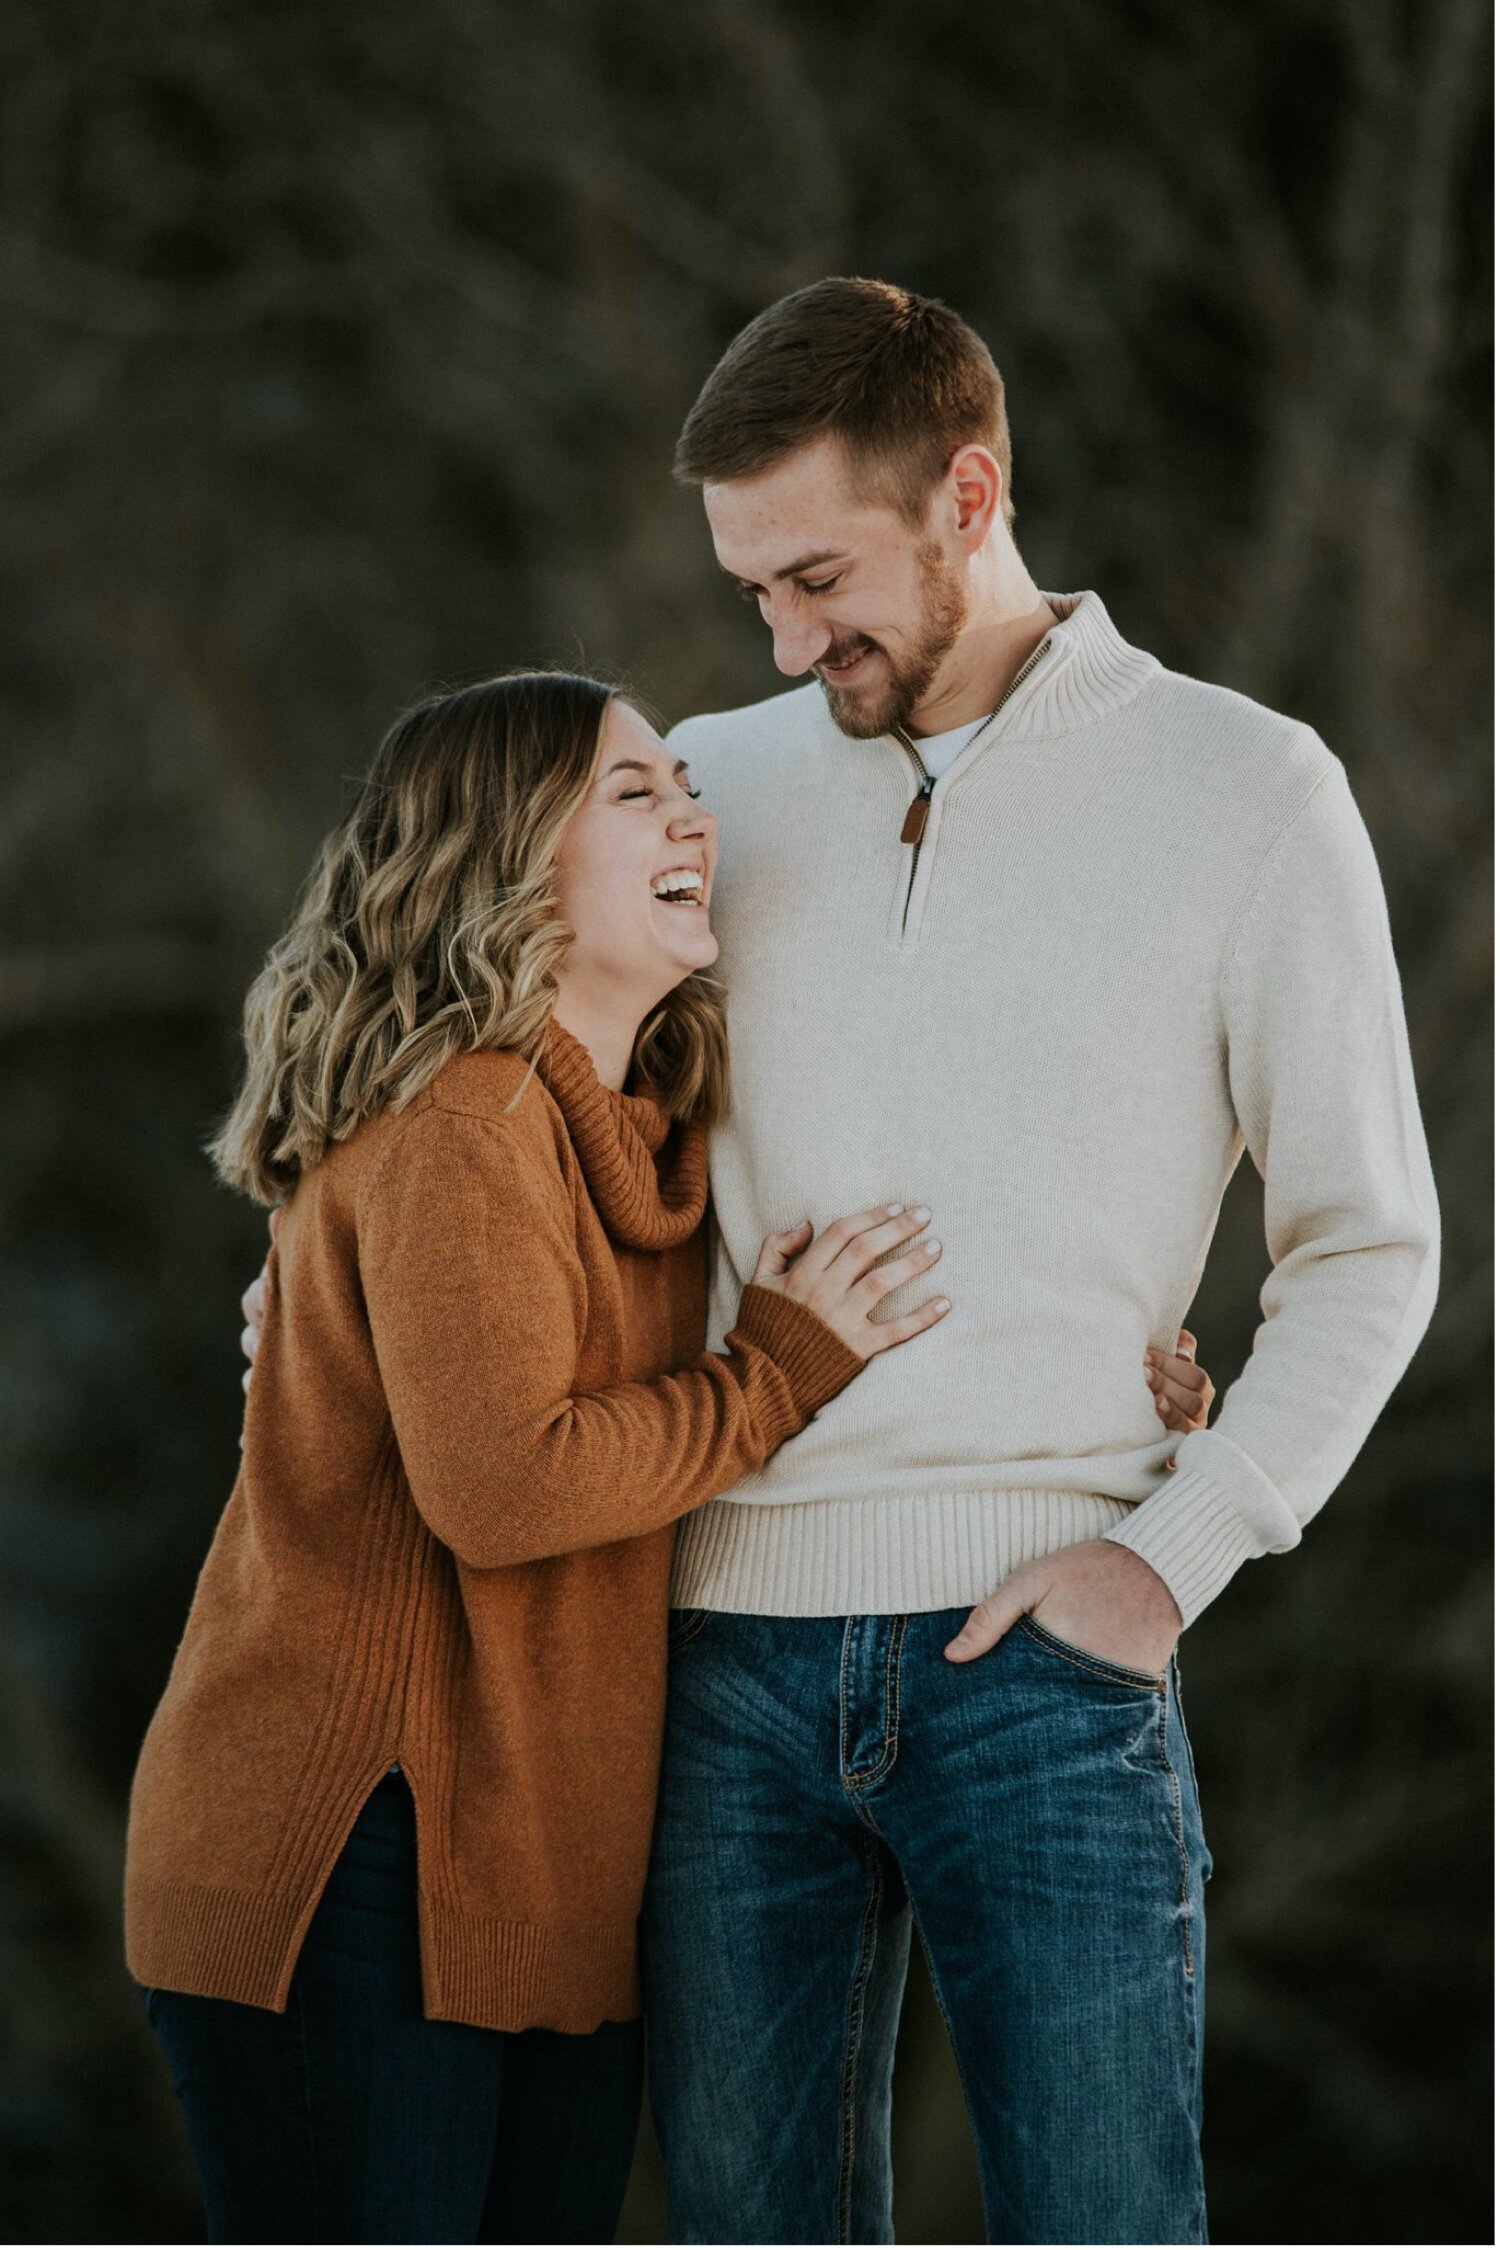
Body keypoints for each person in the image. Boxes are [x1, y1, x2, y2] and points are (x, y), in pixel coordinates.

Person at [631, 278, 1441, 2246]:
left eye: (819, 575)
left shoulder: (1248, 791)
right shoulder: (698, 791)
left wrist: (1177, 1553)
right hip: (716, 1662)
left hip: (1048, 1656)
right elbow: (544, 1143)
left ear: (968, 492)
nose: (788, 637)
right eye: (754, 593)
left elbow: (1368, 1244)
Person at [124, 669, 964, 2246]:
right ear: (506, 859)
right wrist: (770, 1375)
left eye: (686, 787)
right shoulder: (467, 1120)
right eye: (634, 790)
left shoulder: (643, 1136)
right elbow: (505, 1486)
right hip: (349, 1874)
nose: (693, 815)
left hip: (533, 1877)